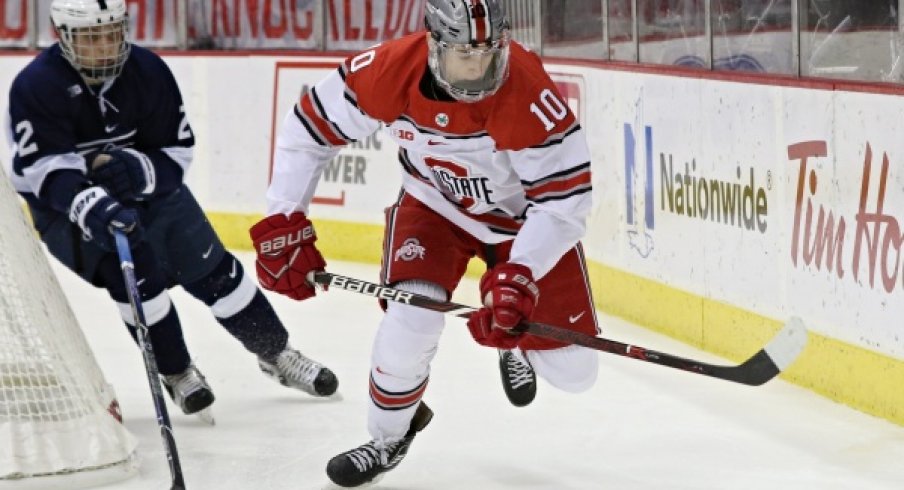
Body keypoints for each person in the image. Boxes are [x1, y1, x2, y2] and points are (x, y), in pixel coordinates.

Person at [251, 0, 599, 486]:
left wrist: (520, 273)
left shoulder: (526, 90)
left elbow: (566, 204)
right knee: (409, 323)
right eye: (463, 54)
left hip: (522, 223)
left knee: (575, 372)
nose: (478, 68)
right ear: (435, 44)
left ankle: (512, 341)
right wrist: (283, 218)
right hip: (434, 205)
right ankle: (389, 437)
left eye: (488, 53)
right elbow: (309, 129)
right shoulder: (387, 71)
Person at [5, 0, 338, 419]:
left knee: (218, 273)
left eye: (112, 32)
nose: (106, 45)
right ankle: (177, 373)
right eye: (91, 37)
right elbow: (44, 170)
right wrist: (90, 203)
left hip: (150, 194)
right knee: (135, 283)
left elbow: (175, 152)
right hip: (66, 209)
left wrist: (138, 170)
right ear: (63, 36)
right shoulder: (38, 85)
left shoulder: (146, 70)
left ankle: (277, 354)